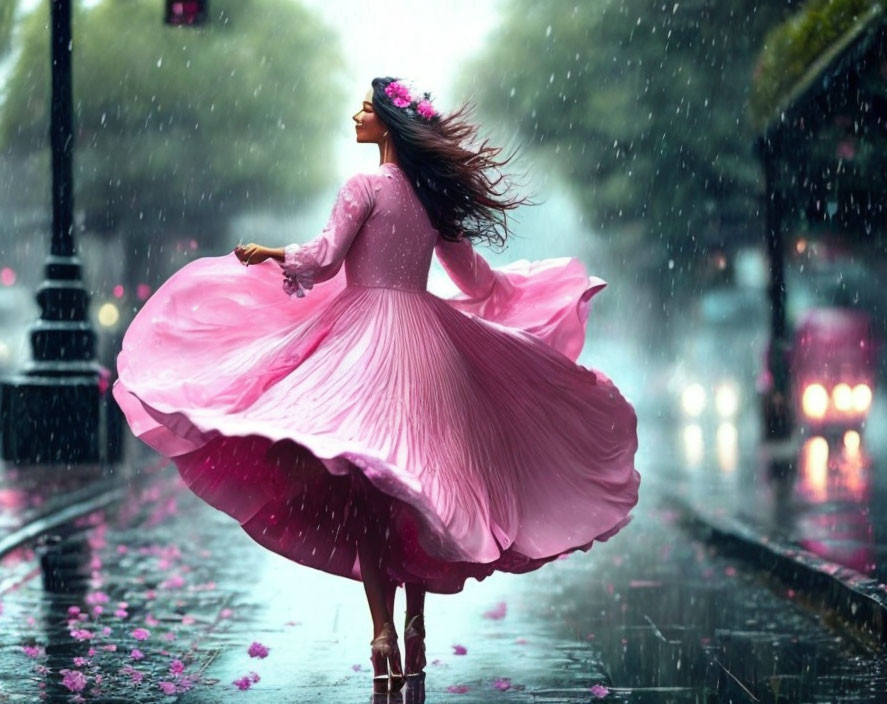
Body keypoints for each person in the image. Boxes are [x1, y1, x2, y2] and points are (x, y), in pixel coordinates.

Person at [112, 76, 640, 697]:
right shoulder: (431, 199)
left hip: (364, 345)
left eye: (366, 108)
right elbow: (473, 279)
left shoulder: (365, 187)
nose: (356, 115)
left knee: (374, 495)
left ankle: (382, 633)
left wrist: (271, 252)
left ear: (388, 124)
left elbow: (326, 259)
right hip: (427, 345)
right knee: (420, 483)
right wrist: (521, 293)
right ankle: (416, 624)